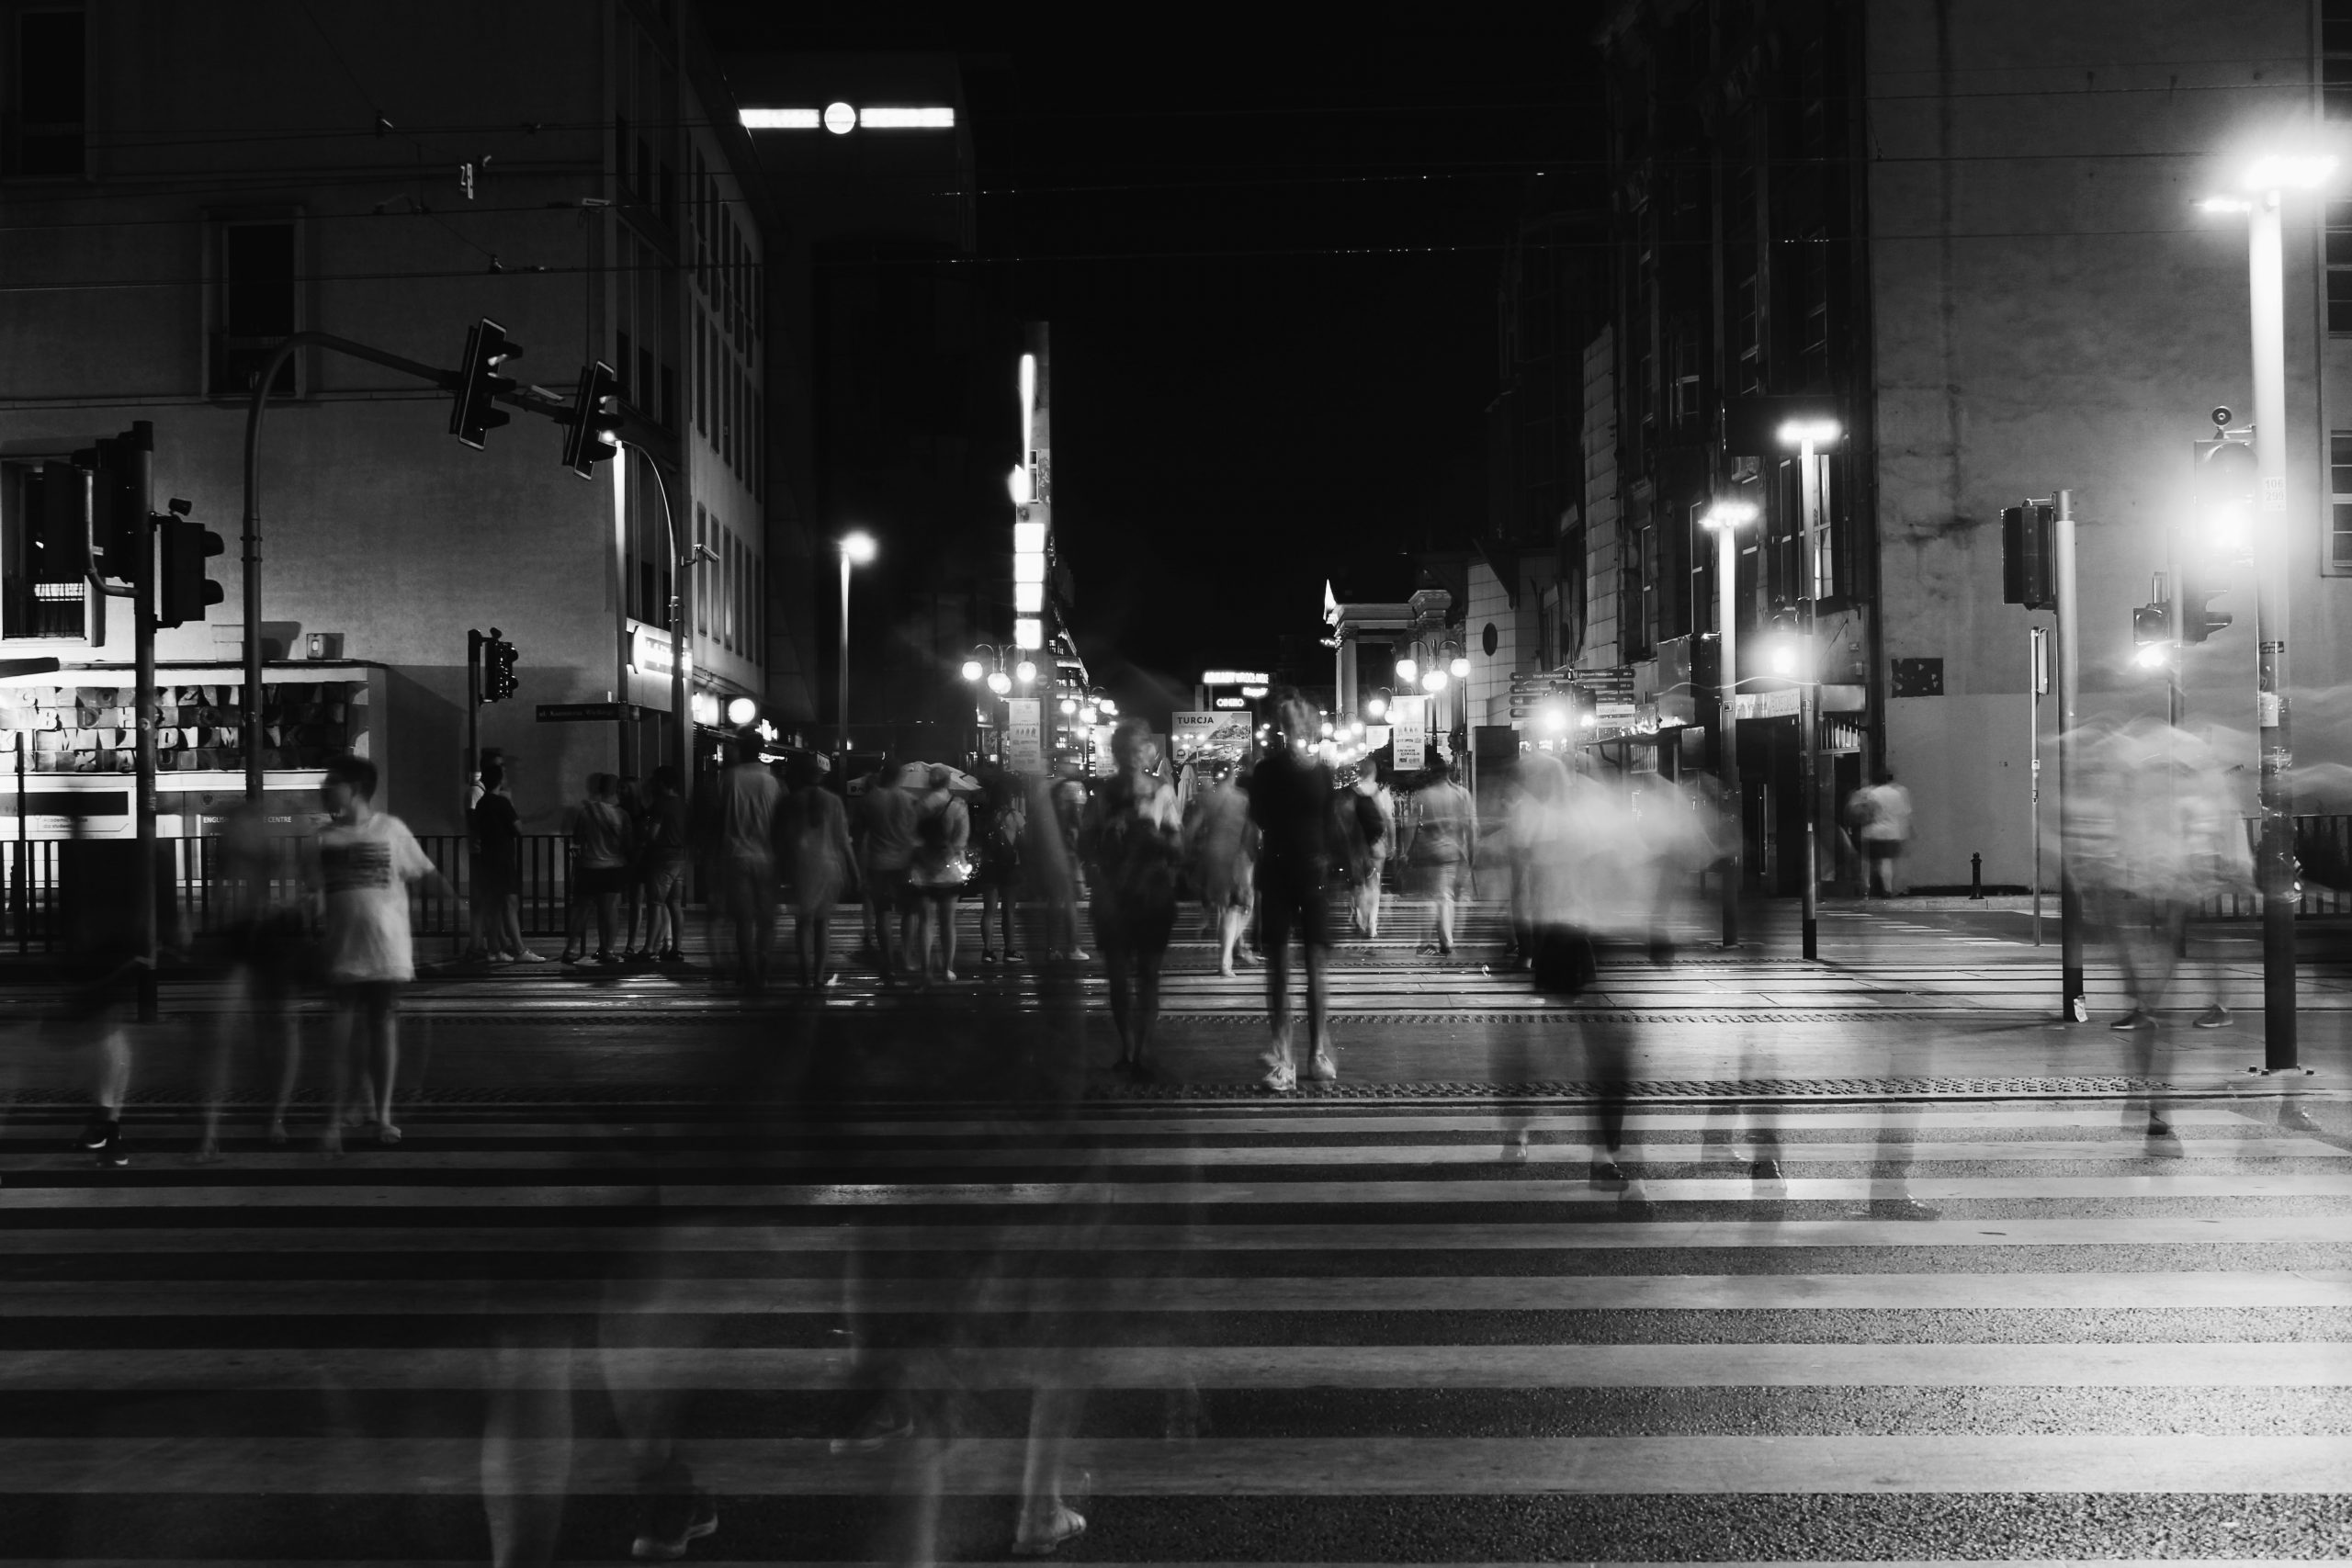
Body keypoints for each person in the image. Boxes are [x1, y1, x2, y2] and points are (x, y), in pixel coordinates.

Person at [314, 752, 448, 1150]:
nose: (323, 789)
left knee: (380, 1030)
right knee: (345, 1037)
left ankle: (382, 1114)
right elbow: (318, 891)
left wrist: (458, 914)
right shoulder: (324, 838)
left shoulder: (390, 829)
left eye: (331, 782)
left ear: (354, 790)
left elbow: (426, 874)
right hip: (342, 949)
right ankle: (351, 1108)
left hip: (385, 948)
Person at [1080, 719, 1184, 1077]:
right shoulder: (1102, 795)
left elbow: (1177, 846)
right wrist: (1108, 839)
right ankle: (1127, 1047)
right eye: (1122, 749)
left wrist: (1151, 834)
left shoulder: (1162, 793)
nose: (1130, 755)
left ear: (1147, 752)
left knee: (1149, 975)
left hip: (1152, 893)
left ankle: (1144, 1047)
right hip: (1113, 897)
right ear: (1116, 753)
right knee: (1119, 978)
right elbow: (1085, 845)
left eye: (1137, 748)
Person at [1250, 693, 1338, 1090]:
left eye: (1302, 724)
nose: (1297, 731)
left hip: (1312, 874)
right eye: (1291, 724)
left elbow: (1328, 821)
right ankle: (1283, 1055)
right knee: (1279, 971)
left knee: (1315, 971)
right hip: (1279, 873)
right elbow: (1260, 821)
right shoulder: (1267, 771)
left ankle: (1318, 1050)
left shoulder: (1323, 773)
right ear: (1284, 729)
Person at [707, 729, 784, 992]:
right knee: (766, 919)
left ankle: (748, 968)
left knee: (744, 920)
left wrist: (714, 857)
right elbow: (779, 823)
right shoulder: (772, 782)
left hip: (735, 855)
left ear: (741, 749)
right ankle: (762, 963)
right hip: (767, 857)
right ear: (761, 749)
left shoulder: (728, 779)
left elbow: (716, 819)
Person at [782, 753, 856, 990]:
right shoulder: (833, 801)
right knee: (823, 924)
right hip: (829, 866)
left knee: (803, 924)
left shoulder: (791, 801)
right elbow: (844, 841)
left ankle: (804, 975)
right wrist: (854, 871)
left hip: (802, 866)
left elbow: (785, 840)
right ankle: (819, 976)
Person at [907, 765, 973, 984]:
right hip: (950, 870)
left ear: (929, 782)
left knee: (926, 921)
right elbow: (962, 840)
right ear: (948, 782)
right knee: (948, 922)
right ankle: (947, 968)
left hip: (923, 871)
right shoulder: (959, 805)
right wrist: (949, 853)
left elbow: (911, 837)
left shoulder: (920, 805)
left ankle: (926, 969)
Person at [1190, 761, 1257, 976]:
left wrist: (1186, 854)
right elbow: (1252, 830)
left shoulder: (1206, 798)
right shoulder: (1242, 799)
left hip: (1213, 854)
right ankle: (1226, 959)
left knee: (1224, 908)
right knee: (1240, 908)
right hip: (1236, 856)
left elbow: (1191, 830)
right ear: (1232, 776)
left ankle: (1228, 956)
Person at [1402, 757, 1474, 956]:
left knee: (1433, 896)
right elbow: (1470, 826)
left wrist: (1405, 852)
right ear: (1447, 773)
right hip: (1452, 851)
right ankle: (1444, 941)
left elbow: (1411, 824)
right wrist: (1472, 852)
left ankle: (1431, 941)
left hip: (1428, 852)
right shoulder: (1461, 794)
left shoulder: (1423, 795)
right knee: (1444, 894)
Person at [560, 773, 633, 965]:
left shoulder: (586, 812)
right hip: (613, 866)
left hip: (589, 866)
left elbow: (577, 839)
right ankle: (607, 950)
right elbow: (628, 843)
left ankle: (571, 949)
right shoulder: (622, 815)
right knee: (609, 910)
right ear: (616, 790)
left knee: (581, 909)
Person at [971, 764, 1026, 965]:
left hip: (989, 866)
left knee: (989, 910)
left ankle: (987, 951)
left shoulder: (984, 818)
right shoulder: (1015, 817)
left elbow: (976, 840)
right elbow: (1024, 842)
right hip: (1011, 868)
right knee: (1009, 911)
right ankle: (1010, 950)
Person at [639, 765, 691, 964]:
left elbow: (652, 833)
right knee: (676, 904)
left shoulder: (661, 804)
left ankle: (649, 948)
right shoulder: (683, 805)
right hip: (680, 856)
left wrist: (643, 832)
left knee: (655, 903)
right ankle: (676, 948)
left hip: (662, 856)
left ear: (662, 783)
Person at [1851, 770, 1914, 897]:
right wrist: (1909, 831)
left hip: (1872, 832)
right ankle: (1888, 889)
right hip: (1893, 832)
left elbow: (1860, 811)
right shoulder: (1898, 792)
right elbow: (1905, 814)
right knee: (1886, 861)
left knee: (1868, 861)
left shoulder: (1870, 793)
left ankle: (1865, 888)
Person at [1351, 758, 1395, 939]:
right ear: (1374, 772)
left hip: (1356, 846)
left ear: (1360, 772)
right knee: (1374, 884)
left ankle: (1360, 920)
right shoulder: (1381, 793)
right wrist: (1392, 844)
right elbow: (1389, 822)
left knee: (1359, 884)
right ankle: (1372, 925)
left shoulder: (1352, 793)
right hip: (1377, 844)